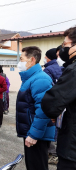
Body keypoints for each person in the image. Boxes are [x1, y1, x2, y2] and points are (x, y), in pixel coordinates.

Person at [41, 27, 76, 170]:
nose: (62, 50)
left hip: (73, 148)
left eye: (65, 45)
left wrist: (56, 112)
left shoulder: (74, 70)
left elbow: (52, 102)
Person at [16, 46, 55, 170]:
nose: (19, 63)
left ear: (32, 60)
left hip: (37, 134)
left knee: (37, 166)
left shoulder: (40, 79)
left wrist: (34, 135)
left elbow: (43, 109)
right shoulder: (31, 78)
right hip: (31, 130)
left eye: (21, 59)